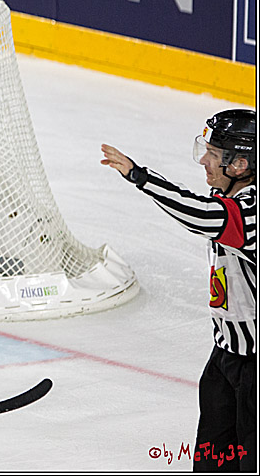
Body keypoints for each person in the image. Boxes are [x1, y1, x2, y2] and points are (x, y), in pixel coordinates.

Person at [101, 108, 256, 472]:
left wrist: (140, 177)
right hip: (225, 358)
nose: (203, 161)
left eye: (213, 155)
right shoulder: (229, 195)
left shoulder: (251, 210)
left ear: (240, 165)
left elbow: (202, 215)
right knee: (212, 462)